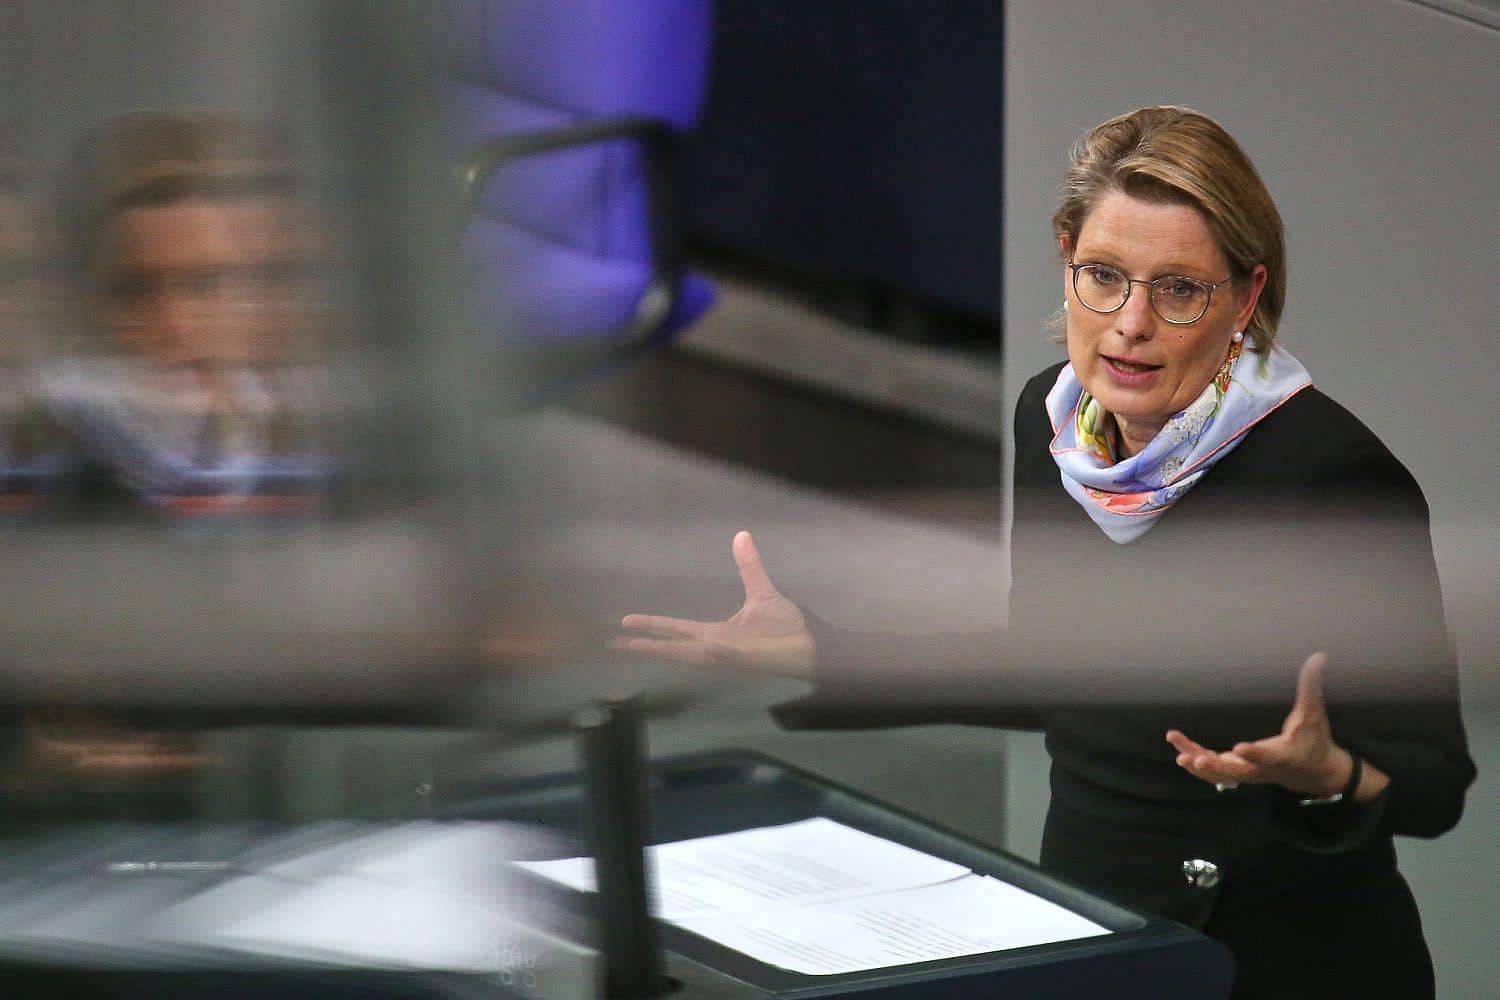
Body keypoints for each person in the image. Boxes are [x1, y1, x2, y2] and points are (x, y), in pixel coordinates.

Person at [618, 107, 1476, 999]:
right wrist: (826, 653)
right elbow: (1052, 666)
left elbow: (1435, 784)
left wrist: (1326, 774)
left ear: (1244, 298)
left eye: (1179, 290)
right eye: (1103, 276)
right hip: (1098, 925)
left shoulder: (1330, 478)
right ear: (1067, 259)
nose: (1131, 323)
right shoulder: (1055, 422)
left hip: (1276, 962)